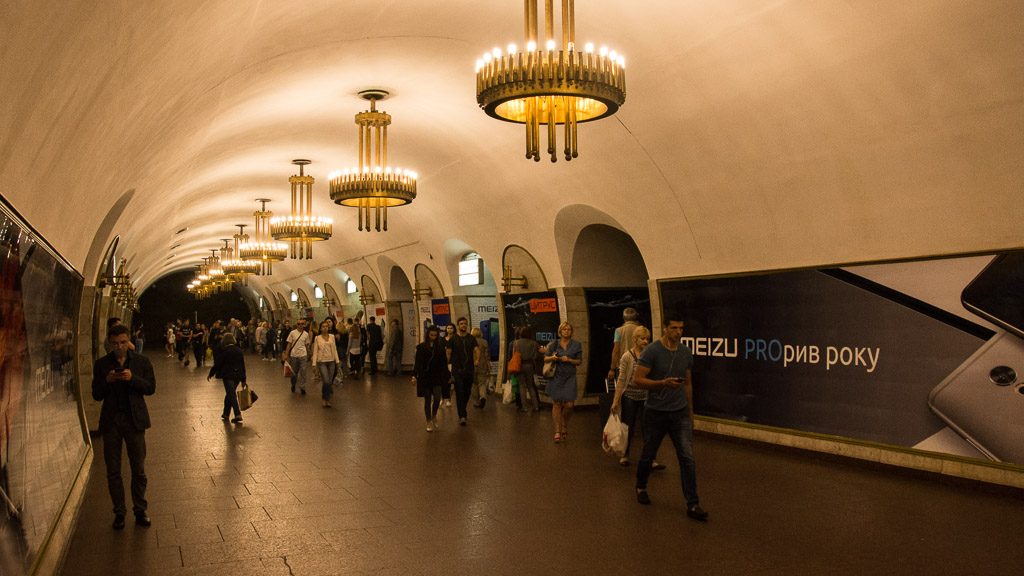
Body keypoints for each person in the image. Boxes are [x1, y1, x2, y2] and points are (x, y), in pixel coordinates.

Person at [631, 314, 708, 521]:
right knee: (649, 453)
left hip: (679, 412)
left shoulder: (685, 353)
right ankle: (641, 486)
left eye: (681, 328)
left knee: (687, 457)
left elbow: (688, 384)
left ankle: (693, 503)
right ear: (665, 329)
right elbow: (638, 380)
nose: (678, 332)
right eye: (674, 328)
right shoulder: (652, 351)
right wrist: (662, 383)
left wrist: (690, 413)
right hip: (655, 412)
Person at [91, 324, 155, 529]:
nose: (119, 347)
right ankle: (119, 512)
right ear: (110, 343)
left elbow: (151, 388)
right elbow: (96, 394)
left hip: (134, 420)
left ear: (129, 341)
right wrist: (107, 380)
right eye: (115, 343)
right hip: (111, 422)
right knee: (113, 470)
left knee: (138, 468)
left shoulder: (141, 362)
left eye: (123, 342)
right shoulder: (102, 365)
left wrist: (132, 378)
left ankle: (140, 509)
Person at [611, 326, 664, 469]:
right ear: (635, 339)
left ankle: (651, 458)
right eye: (642, 338)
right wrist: (616, 401)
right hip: (630, 395)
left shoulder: (650, 356)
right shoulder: (627, 356)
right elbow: (621, 380)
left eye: (647, 338)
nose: (645, 341)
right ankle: (625, 455)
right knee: (628, 426)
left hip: (646, 395)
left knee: (648, 428)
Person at [544, 321, 582, 442]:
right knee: (556, 403)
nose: (566, 331)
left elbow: (579, 361)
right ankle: (557, 430)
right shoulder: (554, 344)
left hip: (569, 376)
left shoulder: (576, 345)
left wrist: (570, 360)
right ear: (560, 331)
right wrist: (553, 358)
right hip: (556, 376)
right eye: (564, 329)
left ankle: (564, 423)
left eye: (569, 329)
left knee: (569, 404)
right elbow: (546, 358)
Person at [412, 326, 450, 432]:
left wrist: (447, 375)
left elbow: (444, 363)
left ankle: (434, 415)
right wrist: (414, 375)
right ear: (428, 335)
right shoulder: (421, 347)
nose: (433, 337)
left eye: (435, 335)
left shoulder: (440, 348)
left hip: (437, 376)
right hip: (425, 377)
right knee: (427, 400)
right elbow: (417, 363)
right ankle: (428, 420)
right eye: (431, 335)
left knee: (437, 397)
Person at [446, 317, 479, 426]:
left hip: (469, 369)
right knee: (459, 391)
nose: (463, 325)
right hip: (457, 370)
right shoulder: (453, 339)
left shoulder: (471, 338)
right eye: (461, 324)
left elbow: (476, 349)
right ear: (458, 326)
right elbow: (449, 352)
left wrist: (477, 360)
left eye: (465, 324)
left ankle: (462, 408)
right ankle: (462, 416)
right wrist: (446, 364)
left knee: (467, 391)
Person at [207, 332, 246, 424]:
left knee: (231, 394)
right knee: (230, 394)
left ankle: (237, 414)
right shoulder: (239, 350)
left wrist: (211, 373)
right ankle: (226, 413)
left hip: (227, 375)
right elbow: (242, 365)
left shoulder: (224, 351)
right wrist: (244, 379)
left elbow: (218, 363)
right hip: (237, 375)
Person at [511, 325, 542, 412]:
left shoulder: (516, 343)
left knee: (522, 386)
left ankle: (525, 407)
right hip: (530, 365)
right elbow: (539, 353)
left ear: (521, 333)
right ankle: (536, 406)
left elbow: (514, 355)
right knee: (531, 386)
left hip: (520, 365)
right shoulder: (534, 343)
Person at [607, 307, 641, 382]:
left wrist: (612, 369)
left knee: (623, 389)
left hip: (623, 365)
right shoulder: (641, 329)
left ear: (624, 318)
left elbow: (616, 350)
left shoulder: (619, 331)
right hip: (639, 364)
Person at [311, 318, 340, 407]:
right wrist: (314, 364)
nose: (325, 328)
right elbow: (315, 351)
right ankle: (325, 399)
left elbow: (334, 349)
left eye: (326, 326)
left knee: (329, 382)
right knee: (326, 381)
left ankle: (327, 398)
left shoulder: (332, 336)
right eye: (323, 327)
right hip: (322, 362)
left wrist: (337, 361)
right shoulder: (317, 338)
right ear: (320, 328)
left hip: (331, 361)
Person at [284, 318, 311, 394]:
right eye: (299, 324)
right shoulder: (292, 333)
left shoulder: (306, 334)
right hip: (294, 355)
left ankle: (302, 387)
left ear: (304, 325)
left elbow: (306, 345)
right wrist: (286, 354)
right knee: (294, 373)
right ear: (296, 325)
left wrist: (309, 353)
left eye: (302, 324)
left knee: (303, 371)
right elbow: (289, 344)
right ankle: (293, 384)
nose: (300, 325)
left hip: (303, 355)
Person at [470, 327, 490, 409]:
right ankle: (483, 397)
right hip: (483, 364)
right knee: (482, 383)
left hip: (472, 364)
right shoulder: (485, 342)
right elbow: (487, 355)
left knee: (474, 384)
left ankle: (477, 402)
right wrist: (488, 365)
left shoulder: (470, 341)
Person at [442, 324, 455, 407]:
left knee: (451, 381)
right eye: (448, 328)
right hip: (444, 362)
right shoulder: (442, 339)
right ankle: (442, 398)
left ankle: (449, 399)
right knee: (444, 381)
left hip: (453, 362)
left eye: (451, 328)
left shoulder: (456, 339)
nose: (449, 329)